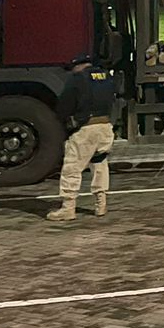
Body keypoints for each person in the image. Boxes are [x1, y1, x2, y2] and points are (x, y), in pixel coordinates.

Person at [46, 64, 116, 222]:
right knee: (99, 164)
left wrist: (63, 120)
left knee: (72, 167)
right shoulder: (105, 76)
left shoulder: (78, 79)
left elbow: (65, 105)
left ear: (78, 65)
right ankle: (101, 204)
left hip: (86, 129)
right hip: (105, 127)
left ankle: (68, 208)